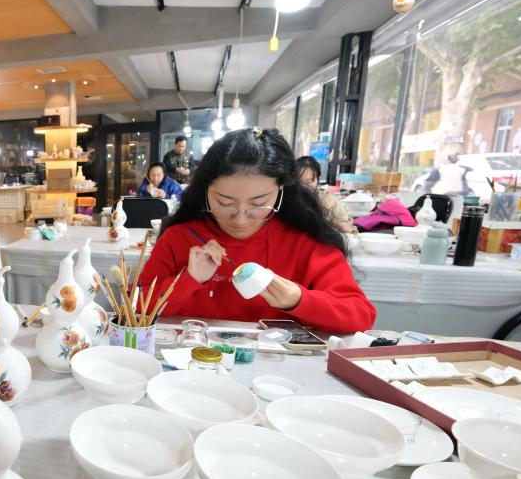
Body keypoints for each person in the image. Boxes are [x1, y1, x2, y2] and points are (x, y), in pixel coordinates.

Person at [139, 128, 375, 334]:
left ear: (281, 191)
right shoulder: (181, 238)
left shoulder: (305, 242)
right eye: (224, 202)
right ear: (205, 191)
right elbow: (135, 307)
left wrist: (299, 300)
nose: (240, 219)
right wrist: (188, 280)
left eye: (259, 203)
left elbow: (360, 315)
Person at [296, 156, 354, 233]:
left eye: (309, 181)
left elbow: (346, 226)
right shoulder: (287, 200)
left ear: (318, 180)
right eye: (300, 182)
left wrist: (334, 225)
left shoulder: (329, 200)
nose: (304, 187)